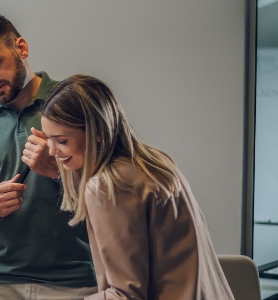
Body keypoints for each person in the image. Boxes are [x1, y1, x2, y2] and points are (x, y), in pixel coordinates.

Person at [0, 11, 98, 299]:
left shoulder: (77, 104)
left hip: (76, 282)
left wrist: (56, 170)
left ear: (21, 48)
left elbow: (115, 196)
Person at [39, 74, 236, 300]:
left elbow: (126, 295)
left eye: (62, 141)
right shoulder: (157, 163)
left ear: (98, 132)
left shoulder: (107, 186)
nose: (52, 151)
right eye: (49, 139)